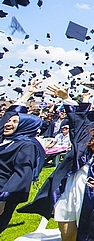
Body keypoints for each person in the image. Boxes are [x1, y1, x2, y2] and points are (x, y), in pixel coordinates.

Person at [19, 85, 94, 241]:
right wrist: (66, 99)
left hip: (93, 191)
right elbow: (77, 121)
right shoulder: (84, 140)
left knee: (90, 232)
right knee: (67, 231)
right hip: (70, 185)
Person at [0, 80, 46, 233]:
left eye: (15, 122)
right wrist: (28, 93)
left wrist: (4, 198)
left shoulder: (27, 145)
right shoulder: (4, 138)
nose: (8, 123)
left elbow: (21, 174)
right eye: (8, 121)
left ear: (25, 126)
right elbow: (9, 114)